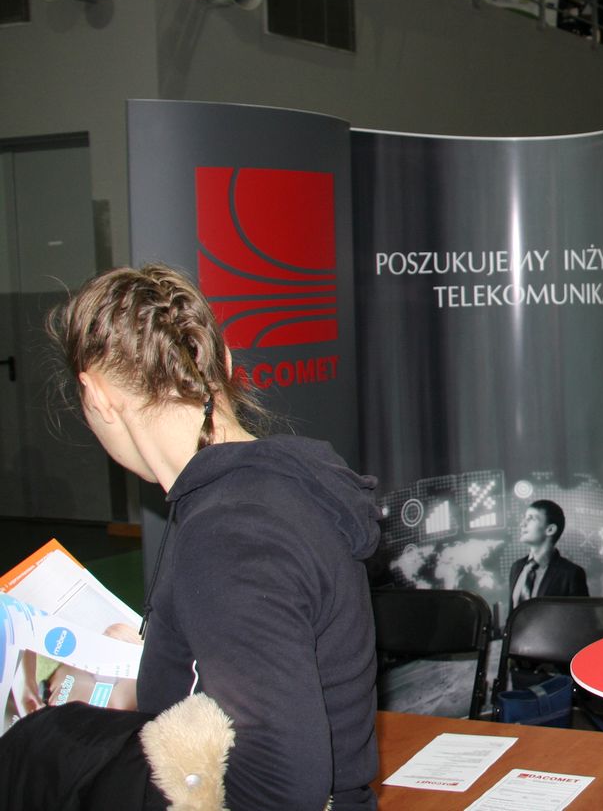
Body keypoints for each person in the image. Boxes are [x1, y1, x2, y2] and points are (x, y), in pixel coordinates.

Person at [9, 264, 382, 810]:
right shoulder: (264, 494)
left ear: (97, 394)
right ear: (224, 363)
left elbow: (282, 791)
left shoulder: (231, 535)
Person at [509, 499, 589, 609]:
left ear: (550, 529)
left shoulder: (571, 574)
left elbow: (581, 616)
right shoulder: (517, 567)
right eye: (525, 518)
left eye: (531, 518)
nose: (522, 524)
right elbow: (512, 615)